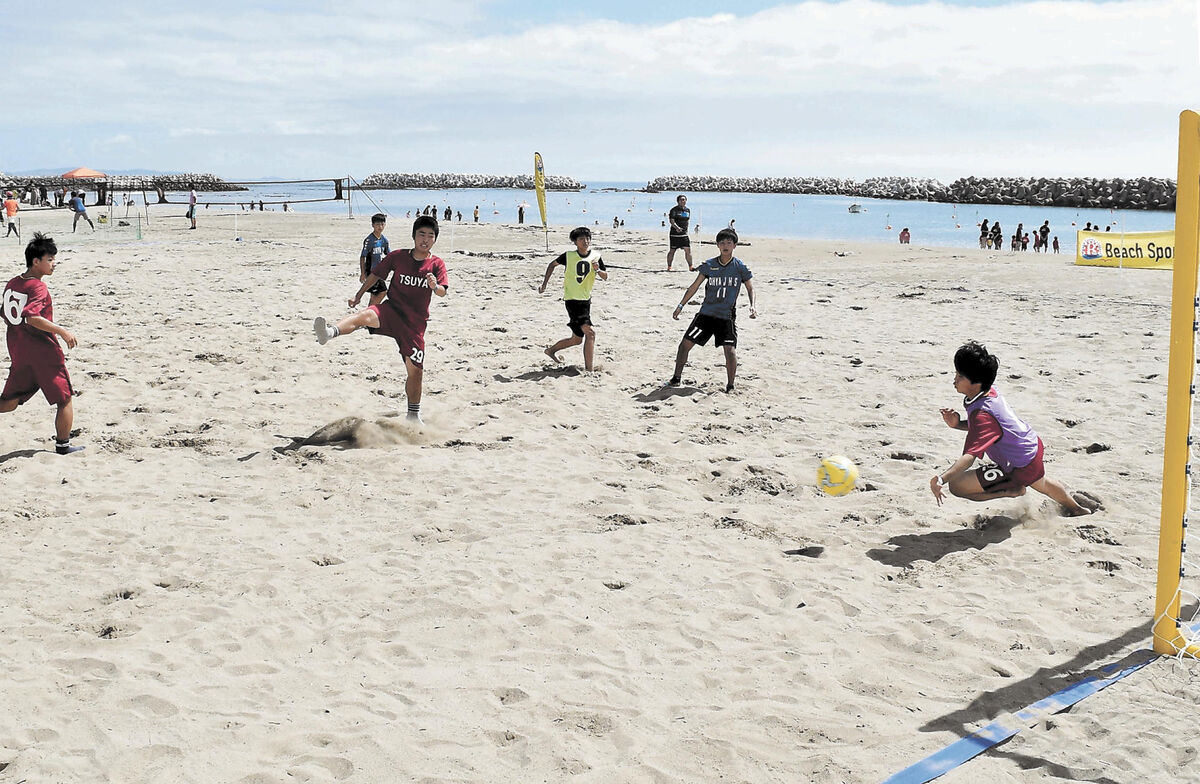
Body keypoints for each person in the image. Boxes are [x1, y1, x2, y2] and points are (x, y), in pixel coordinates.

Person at [930, 341, 1093, 515]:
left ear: (976, 383)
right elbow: (991, 427)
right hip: (1031, 447)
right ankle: (1077, 509)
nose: (954, 379)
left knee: (956, 485)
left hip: (1019, 466)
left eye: (960, 376)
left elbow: (969, 456)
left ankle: (1012, 490)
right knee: (1042, 483)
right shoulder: (989, 391)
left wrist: (941, 478)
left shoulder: (982, 415)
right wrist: (957, 424)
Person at [312, 216, 449, 424]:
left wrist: (434, 286)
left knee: (415, 372)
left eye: (430, 236)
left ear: (435, 239)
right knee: (365, 315)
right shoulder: (398, 256)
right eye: (421, 234)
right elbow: (375, 275)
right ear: (413, 236)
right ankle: (329, 332)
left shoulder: (437, 264)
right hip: (391, 312)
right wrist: (358, 295)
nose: (425, 239)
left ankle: (413, 415)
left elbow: (442, 293)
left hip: (414, 325)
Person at [1, 233, 83, 455]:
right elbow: (32, 317)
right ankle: (64, 446)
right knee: (64, 398)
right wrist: (63, 332)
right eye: (50, 259)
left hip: (18, 349)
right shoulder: (38, 287)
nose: (54, 264)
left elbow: (5, 313)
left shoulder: (13, 282)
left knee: (12, 399)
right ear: (36, 261)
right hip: (42, 352)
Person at [668, 228, 757, 393]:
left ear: (734, 245)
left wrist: (752, 305)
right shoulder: (709, 265)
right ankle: (676, 378)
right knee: (684, 345)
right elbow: (694, 287)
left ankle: (730, 386)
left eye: (729, 243)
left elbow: (750, 287)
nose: (725, 246)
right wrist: (680, 306)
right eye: (722, 242)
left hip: (726, 317)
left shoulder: (739, 267)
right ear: (717, 245)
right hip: (706, 315)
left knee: (730, 351)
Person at [538, 226, 608, 372]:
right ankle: (590, 371)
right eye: (581, 239)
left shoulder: (596, 256)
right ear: (575, 242)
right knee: (590, 333)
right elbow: (552, 265)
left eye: (587, 238)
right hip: (572, 300)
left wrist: (597, 269)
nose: (585, 241)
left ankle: (550, 351)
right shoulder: (568, 256)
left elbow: (605, 276)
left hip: (586, 300)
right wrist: (544, 285)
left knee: (577, 339)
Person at [359, 213, 390, 307]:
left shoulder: (384, 240)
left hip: (379, 272)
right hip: (371, 273)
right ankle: (370, 313)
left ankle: (369, 315)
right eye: (377, 224)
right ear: (373, 225)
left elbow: (389, 254)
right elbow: (362, 257)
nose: (380, 227)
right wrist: (363, 273)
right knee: (383, 291)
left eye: (382, 224)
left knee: (374, 295)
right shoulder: (369, 240)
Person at [666, 194, 693, 272]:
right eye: (681, 200)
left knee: (688, 250)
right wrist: (677, 228)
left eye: (684, 200)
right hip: (674, 234)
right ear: (678, 201)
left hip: (684, 234)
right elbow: (672, 221)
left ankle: (691, 266)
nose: (683, 201)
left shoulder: (688, 210)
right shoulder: (674, 210)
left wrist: (686, 230)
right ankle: (669, 266)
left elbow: (687, 221)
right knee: (672, 251)